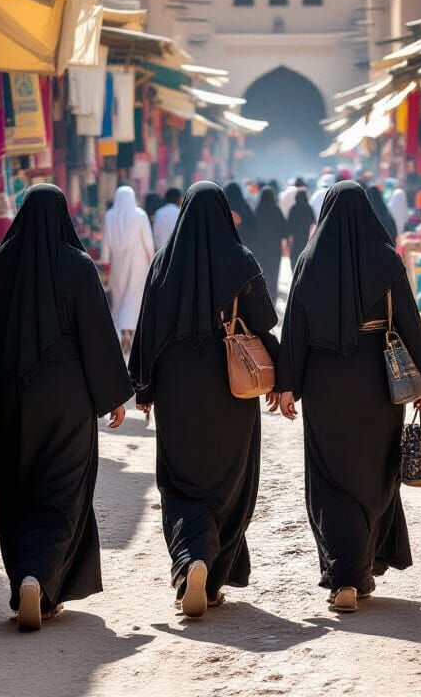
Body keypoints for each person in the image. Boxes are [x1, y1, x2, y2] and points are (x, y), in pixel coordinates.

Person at [0, 184, 132, 631]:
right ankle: (41, 578)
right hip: (68, 401)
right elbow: (96, 335)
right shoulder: (79, 268)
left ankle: (28, 581)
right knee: (63, 492)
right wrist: (112, 396)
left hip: (9, 401)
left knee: (17, 490)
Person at [275, 181, 421, 613]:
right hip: (378, 384)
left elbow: (294, 328)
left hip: (325, 383)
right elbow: (408, 320)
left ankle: (345, 574)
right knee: (376, 472)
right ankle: (361, 567)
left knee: (330, 477)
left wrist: (287, 383)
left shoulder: (309, 261)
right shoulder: (385, 259)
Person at [129, 182, 279, 618]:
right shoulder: (240, 260)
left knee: (178, 481)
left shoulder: (163, 263)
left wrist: (144, 387)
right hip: (230, 387)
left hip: (177, 387)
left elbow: (147, 330)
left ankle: (191, 556)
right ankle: (211, 579)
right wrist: (283, 377)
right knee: (230, 481)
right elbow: (266, 320)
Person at [102, 185, 155, 352]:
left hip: (118, 262)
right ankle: (129, 329)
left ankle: (122, 330)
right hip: (137, 261)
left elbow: (105, 242)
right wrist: (152, 260)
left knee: (119, 295)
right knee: (133, 295)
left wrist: (105, 261)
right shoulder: (140, 215)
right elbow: (148, 242)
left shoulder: (109, 216)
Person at [254, 185, 288, 299]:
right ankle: (273, 294)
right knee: (274, 270)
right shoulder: (276, 210)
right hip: (274, 248)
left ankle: (262, 293)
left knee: (262, 269)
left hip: (260, 247)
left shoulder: (257, 210)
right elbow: (284, 230)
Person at [223, 181, 259, 252]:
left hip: (228, 251)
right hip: (246, 250)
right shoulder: (246, 208)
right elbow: (254, 228)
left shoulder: (223, 209)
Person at [286, 187, 315, 266]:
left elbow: (289, 225)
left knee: (295, 259)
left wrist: (289, 240)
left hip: (295, 239)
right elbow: (313, 223)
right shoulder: (308, 208)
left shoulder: (293, 208)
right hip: (306, 238)